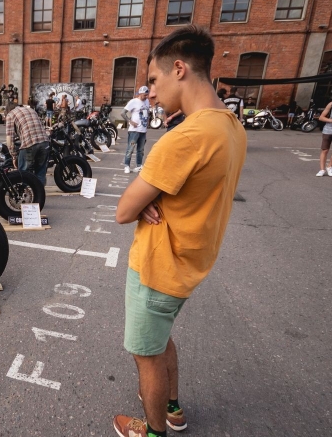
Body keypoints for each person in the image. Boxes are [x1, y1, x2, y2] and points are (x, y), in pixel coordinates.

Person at [112, 25, 247, 437]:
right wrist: (155, 201)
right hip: (190, 264)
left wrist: (143, 203)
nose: (150, 91)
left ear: (179, 69)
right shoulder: (230, 126)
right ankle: (171, 407)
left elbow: (122, 211)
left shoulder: (184, 137)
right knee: (162, 339)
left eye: (153, 80)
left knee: (146, 355)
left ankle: (153, 431)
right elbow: (195, 191)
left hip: (158, 267)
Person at [5, 103, 50, 185]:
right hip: (45, 141)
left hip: (29, 143)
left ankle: (24, 193)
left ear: (8, 110)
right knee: (40, 172)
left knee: (23, 173)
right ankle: (39, 195)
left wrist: (14, 156)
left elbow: (9, 139)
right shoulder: (31, 110)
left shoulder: (10, 115)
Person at [121, 86, 151, 174]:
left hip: (143, 130)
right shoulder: (133, 101)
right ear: (140, 93)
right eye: (145, 95)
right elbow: (122, 113)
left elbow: (147, 112)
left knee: (141, 150)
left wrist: (147, 121)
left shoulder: (147, 101)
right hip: (134, 131)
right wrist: (130, 121)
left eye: (147, 95)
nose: (146, 97)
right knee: (130, 148)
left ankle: (139, 165)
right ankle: (127, 165)